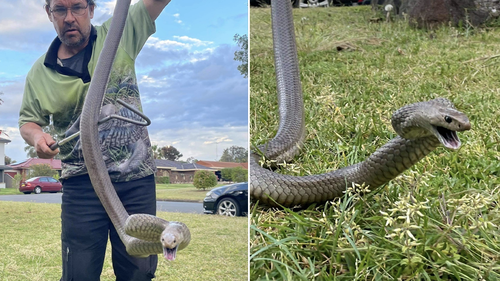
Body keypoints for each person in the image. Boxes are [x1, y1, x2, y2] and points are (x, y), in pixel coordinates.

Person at [18, 0, 171, 280]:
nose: (69, 18)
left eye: (77, 7)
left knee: (138, 271)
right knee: (79, 273)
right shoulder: (40, 72)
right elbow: (27, 121)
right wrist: (37, 136)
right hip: (81, 184)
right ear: (49, 13)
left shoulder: (121, 32)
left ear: (91, 9)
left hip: (134, 179)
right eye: (60, 10)